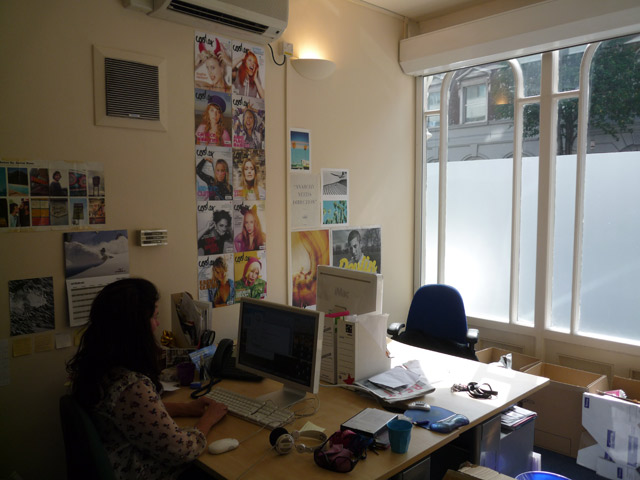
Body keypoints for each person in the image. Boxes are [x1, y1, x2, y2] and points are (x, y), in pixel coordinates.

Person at [66, 278, 228, 480]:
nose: (157, 324)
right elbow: (181, 451)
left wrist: (186, 408)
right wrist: (208, 419)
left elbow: (140, 413)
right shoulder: (131, 387)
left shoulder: (99, 367)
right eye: (154, 317)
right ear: (135, 327)